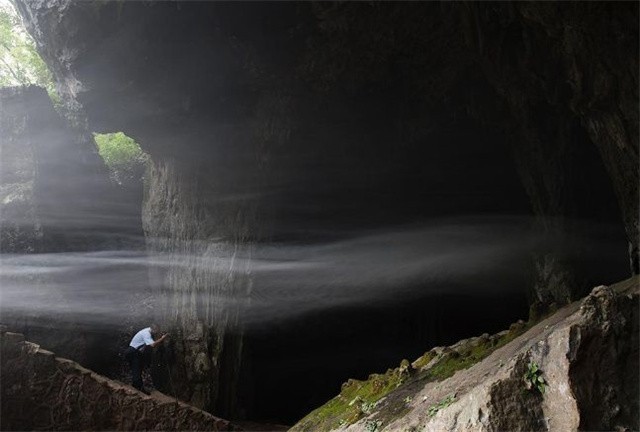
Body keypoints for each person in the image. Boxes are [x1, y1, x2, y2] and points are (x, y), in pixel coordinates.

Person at [124, 324, 168, 394]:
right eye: (157, 331)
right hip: (133, 352)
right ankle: (138, 388)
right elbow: (152, 344)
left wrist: (160, 336)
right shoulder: (146, 333)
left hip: (136, 352)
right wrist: (162, 338)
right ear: (153, 329)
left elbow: (151, 341)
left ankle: (136, 385)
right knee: (137, 369)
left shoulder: (148, 330)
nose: (157, 332)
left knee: (138, 368)